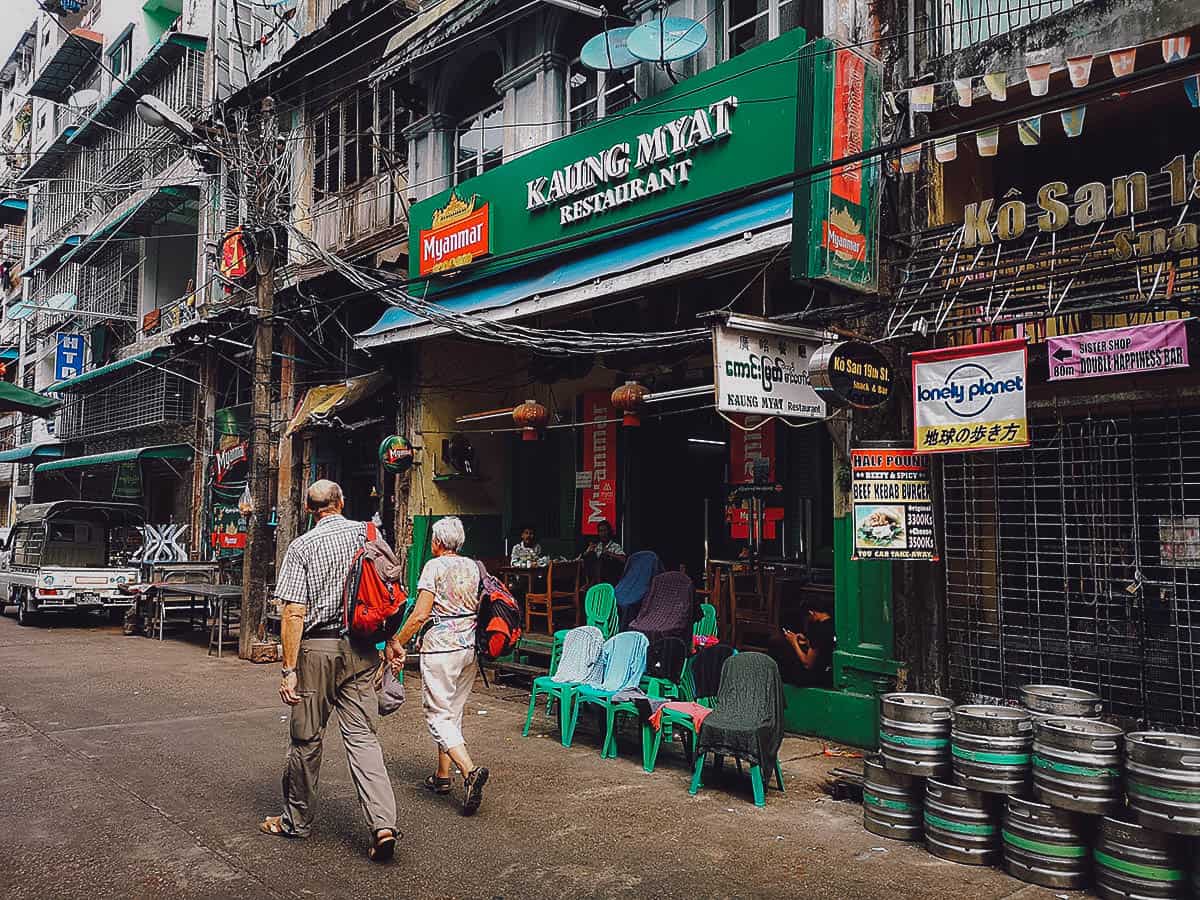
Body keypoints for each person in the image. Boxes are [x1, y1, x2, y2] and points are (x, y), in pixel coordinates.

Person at [259, 480, 399, 863]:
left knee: (306, 739)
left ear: (309, 509)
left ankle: (296, 822)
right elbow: (390, 590)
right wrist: (393, 642)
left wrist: (289, 669)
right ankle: (383, 825)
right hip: (363, 647)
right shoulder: (368, 534)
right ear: (341, 502)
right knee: (364, 741)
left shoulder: (302, 546)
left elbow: (293, 612)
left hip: (316, 651)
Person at [386, 516, 490, 815]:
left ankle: (469, 772)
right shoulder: (472, 565)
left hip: (441, 649)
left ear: (438, 543)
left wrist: (397, 641)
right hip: (469, 648)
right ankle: (443, 776)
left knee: (436, 715)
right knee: (452, 713)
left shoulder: (434, 567)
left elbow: (419, 615)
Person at [769, 605, 835, 687]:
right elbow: (822, 645)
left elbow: (807, 663)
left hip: (814, 677)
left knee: (777, 645)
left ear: (811, 613)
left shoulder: (818, 630)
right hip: (826, 671)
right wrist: (807, 641)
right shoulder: (832, 624)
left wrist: (794, 642)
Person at [581, 520, 626, 585]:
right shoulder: (596, 546)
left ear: (609, 532)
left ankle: (592, 584)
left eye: (605, 530)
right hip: (595, 575)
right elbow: (584, 560)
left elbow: (623, 559)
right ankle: (589, 583)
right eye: (600, 531)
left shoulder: (615, 546)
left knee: (603, 557)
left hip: (609, 577)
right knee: (591, 555)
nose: (603, 534)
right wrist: (588, 551)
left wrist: (609, 553)